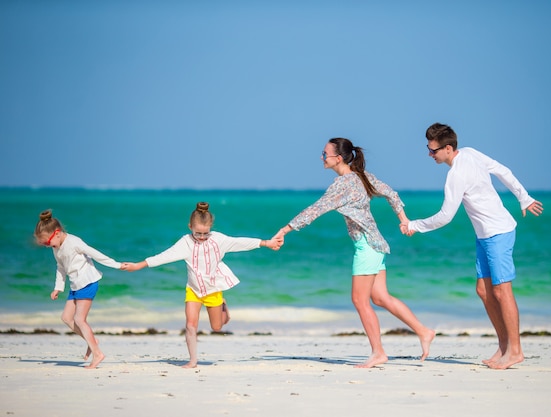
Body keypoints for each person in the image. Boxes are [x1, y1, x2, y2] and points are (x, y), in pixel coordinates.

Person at [273, 138, 436, 368]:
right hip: (376, 244)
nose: (322, 157)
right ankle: (423, 331)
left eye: (325, 153)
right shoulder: (363, 176)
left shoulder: (343, 184)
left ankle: (378, 352)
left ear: (338, 158)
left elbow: (315, 210)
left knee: (360, 300)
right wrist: (404, 221)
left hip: (367, 247)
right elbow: (392, 194)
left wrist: (285, 230)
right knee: (380, 298)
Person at [401, 123, 543, 370]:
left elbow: (446, 216)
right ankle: (504, 346)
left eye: (433, 150)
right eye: (428, 149)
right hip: (485, 234)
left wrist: (415, 225)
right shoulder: (469, 152)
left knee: (501, 291)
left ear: (447, 148)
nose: (429, 154)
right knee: (484, 290)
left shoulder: (456, 174)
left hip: (498, 231)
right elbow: (503, 170)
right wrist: (523, 197)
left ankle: (516, 351)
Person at [121, 202, 282, 368]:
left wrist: (266, 243)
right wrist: (138, 265)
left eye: (205, 233)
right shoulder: (185, 243)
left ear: (210, 227)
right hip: (194, 290)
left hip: (213, 290)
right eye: (198, 233)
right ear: (190, 226)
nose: (202, 237)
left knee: (217, 327)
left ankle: (224, 306)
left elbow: (240, 242)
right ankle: (192, 360)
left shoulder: (219, 240)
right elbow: (164, 256)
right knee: (190, 325)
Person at [34, 209, 122, 369]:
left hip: (87, 282)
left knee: (79, 320)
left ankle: (97, 354)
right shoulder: (56, 248)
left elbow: (95, 253)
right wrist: (58, 288)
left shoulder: (74, 242)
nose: (47, 246)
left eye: (47, 242)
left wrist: (117, 265)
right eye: (44, 244)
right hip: (75, 284)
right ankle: (92, 341)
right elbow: (60, 267)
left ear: (57, 233)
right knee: (67, 318)